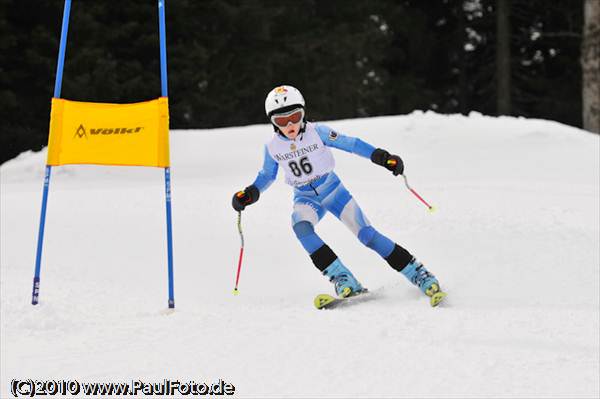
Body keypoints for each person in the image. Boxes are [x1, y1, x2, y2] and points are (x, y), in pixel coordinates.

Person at [231, 85, 445, 306]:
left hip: (333, 191)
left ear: (303, 113)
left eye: (295, 117)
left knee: (368, 236)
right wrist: (250, 193)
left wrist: (381, 157)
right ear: (273, 123)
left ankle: (420, 274)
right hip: (306, 198)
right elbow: (267, 176)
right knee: (300, 227)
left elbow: (350, 144)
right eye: (281, 121)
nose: (290, 125)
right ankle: (344, 279)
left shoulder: (317, 132)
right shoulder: (272, 147)